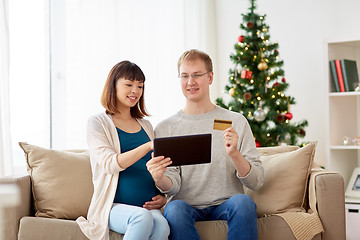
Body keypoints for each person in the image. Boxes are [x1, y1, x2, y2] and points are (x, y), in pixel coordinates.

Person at [146, 49, 264, 240]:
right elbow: (172, 186)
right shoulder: (166, 127)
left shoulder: (236, 121)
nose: (190, 82)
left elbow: (256, 182)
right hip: (185, 205)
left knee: (243, 203)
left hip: (227, 203)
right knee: (174, 209)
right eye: (184, 76)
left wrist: (235, 154)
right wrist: (159, 178)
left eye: (197, 75)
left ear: (210, 77)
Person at [76, 61, 170, 240]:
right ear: (113, 85)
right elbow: (109, 164)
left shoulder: (146, 125)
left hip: (148, 205)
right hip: (114, 207)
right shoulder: (98, 123)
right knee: (140, 218)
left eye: (140, 86)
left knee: (162, 227)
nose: (135, 90)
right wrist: (148, 146)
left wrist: (163, 197)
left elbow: (157, 167)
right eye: (129, 84)